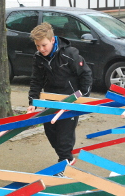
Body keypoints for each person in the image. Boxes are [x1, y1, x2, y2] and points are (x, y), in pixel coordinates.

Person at [27, 22, 92, 167]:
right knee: (51, 134)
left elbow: (86, 74)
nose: (41, 49)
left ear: (52, 40)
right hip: (50, 102)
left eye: (44, 45)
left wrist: (82, 97)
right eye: (37, 46)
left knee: (64, 138)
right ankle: (67, 159)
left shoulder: (69, 54)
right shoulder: (38, 57)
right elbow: (36, 81)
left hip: (70, 101)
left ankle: (65, 164)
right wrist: (33, 102)